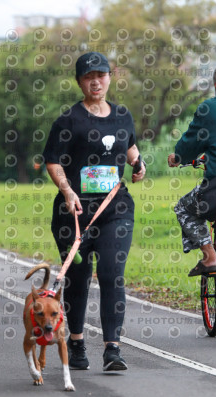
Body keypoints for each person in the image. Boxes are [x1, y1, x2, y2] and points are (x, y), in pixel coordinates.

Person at [43, 52, 145, 371]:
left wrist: (137, 163)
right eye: (89, 77)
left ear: (110, 78)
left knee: (112, 274)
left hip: (115, 208)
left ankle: (112, 349)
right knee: (78, 277)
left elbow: (128, 146)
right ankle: (75, 342)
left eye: (101, 74)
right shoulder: (68, 120)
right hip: (74, 213)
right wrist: (68, 190)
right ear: (80, 82)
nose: (96, 81)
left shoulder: (122, 116)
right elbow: (53, 160)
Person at [168, 62, 216, 276]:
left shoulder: (211, 107)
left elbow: (188, 147)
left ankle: (210, 258)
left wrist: (177, 158)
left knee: (184, 207)